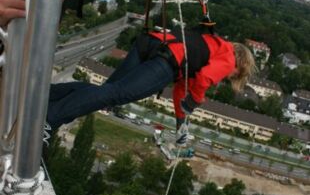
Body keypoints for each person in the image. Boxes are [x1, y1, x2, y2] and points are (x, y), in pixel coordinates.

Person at [47, 25, 256, 143]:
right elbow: (203, 80)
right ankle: (49, 120)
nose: (229, 76)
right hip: (166, 61)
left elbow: (181, 90)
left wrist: (180, 123)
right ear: (240, 64)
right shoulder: (228, 58)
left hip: (152, 43)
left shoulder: (210, 46)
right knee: (114, 95)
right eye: (235, 74)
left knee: (106, 93)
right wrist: (196, 101)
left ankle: (49, 95)